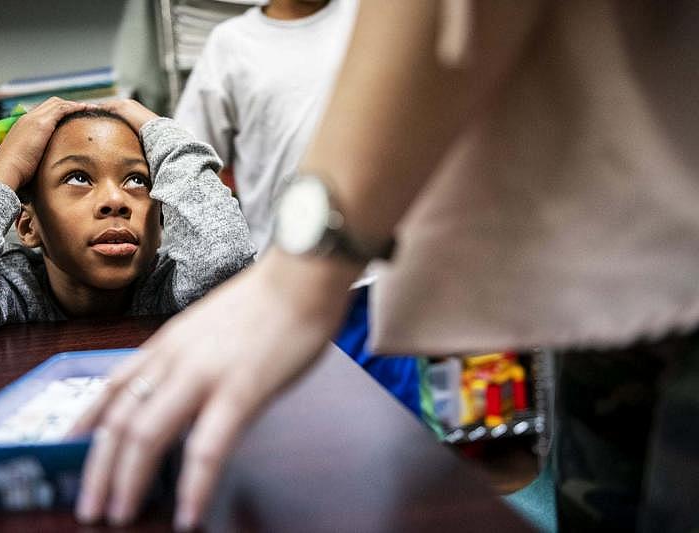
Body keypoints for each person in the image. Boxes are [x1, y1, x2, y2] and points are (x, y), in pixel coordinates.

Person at [76, 1, 699, 531]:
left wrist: (299, 278)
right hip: (618, 274)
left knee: (405, 439)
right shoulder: (231, 45)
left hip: (373, 273)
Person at [175, 0, 431, 424]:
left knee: (394, 432)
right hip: (282, 287)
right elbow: (190, 152)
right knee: (305, 432)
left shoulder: (369, 20)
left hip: (374, 284)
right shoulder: (231, 45)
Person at [0, 97, 255, 358]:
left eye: (136, 180)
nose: (116, 200)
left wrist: (162, 132)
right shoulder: (11, 291)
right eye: (79, 177)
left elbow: (226, 260)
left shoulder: (171, 287)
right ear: (28, 225)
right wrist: (6, 168)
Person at [173, 0, 358, 254]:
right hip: (278, 261)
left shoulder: (367, 19)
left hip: (375, 260)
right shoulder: (231, 43)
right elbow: (190, 158)